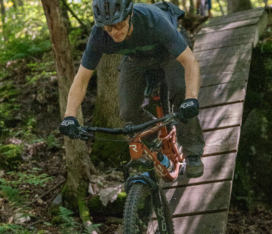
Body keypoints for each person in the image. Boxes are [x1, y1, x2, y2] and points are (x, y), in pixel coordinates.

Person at [59, 0, 205, 178]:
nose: (114, 32)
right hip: (135, 58)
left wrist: (191, 99)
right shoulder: (99, 35)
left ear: (130, 16)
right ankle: (157, 137)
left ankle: (193, 152)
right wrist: (69, 116)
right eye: (108, 28)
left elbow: (190, 62)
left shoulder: (153, 21)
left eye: (118, 25)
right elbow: (81, 78)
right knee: (128, 111)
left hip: (169, 53)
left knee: (181, 90)